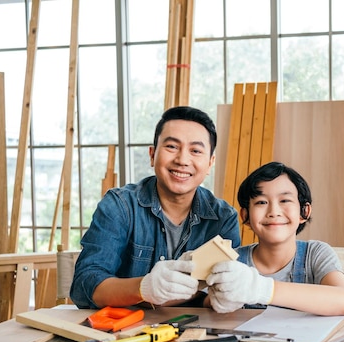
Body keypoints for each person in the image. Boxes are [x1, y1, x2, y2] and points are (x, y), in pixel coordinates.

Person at [70, 106, 241, 309]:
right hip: (124, 331)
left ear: (210, 163)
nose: (182, 160)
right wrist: (142, 288)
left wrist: (221, 299)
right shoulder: (119, 206)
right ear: (152, 155)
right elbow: (84, 286)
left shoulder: (223, 218)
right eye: (172, 147)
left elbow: (216, 291)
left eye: (195, 151)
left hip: (192, 332)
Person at [204, 161, 344, 316]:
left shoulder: (315, 254)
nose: (274, 212)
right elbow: (206, 301)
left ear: (304, 211)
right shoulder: (231, 262)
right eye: (261, 202)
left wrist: (260, 288)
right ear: (246, 215)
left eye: (284, 201)